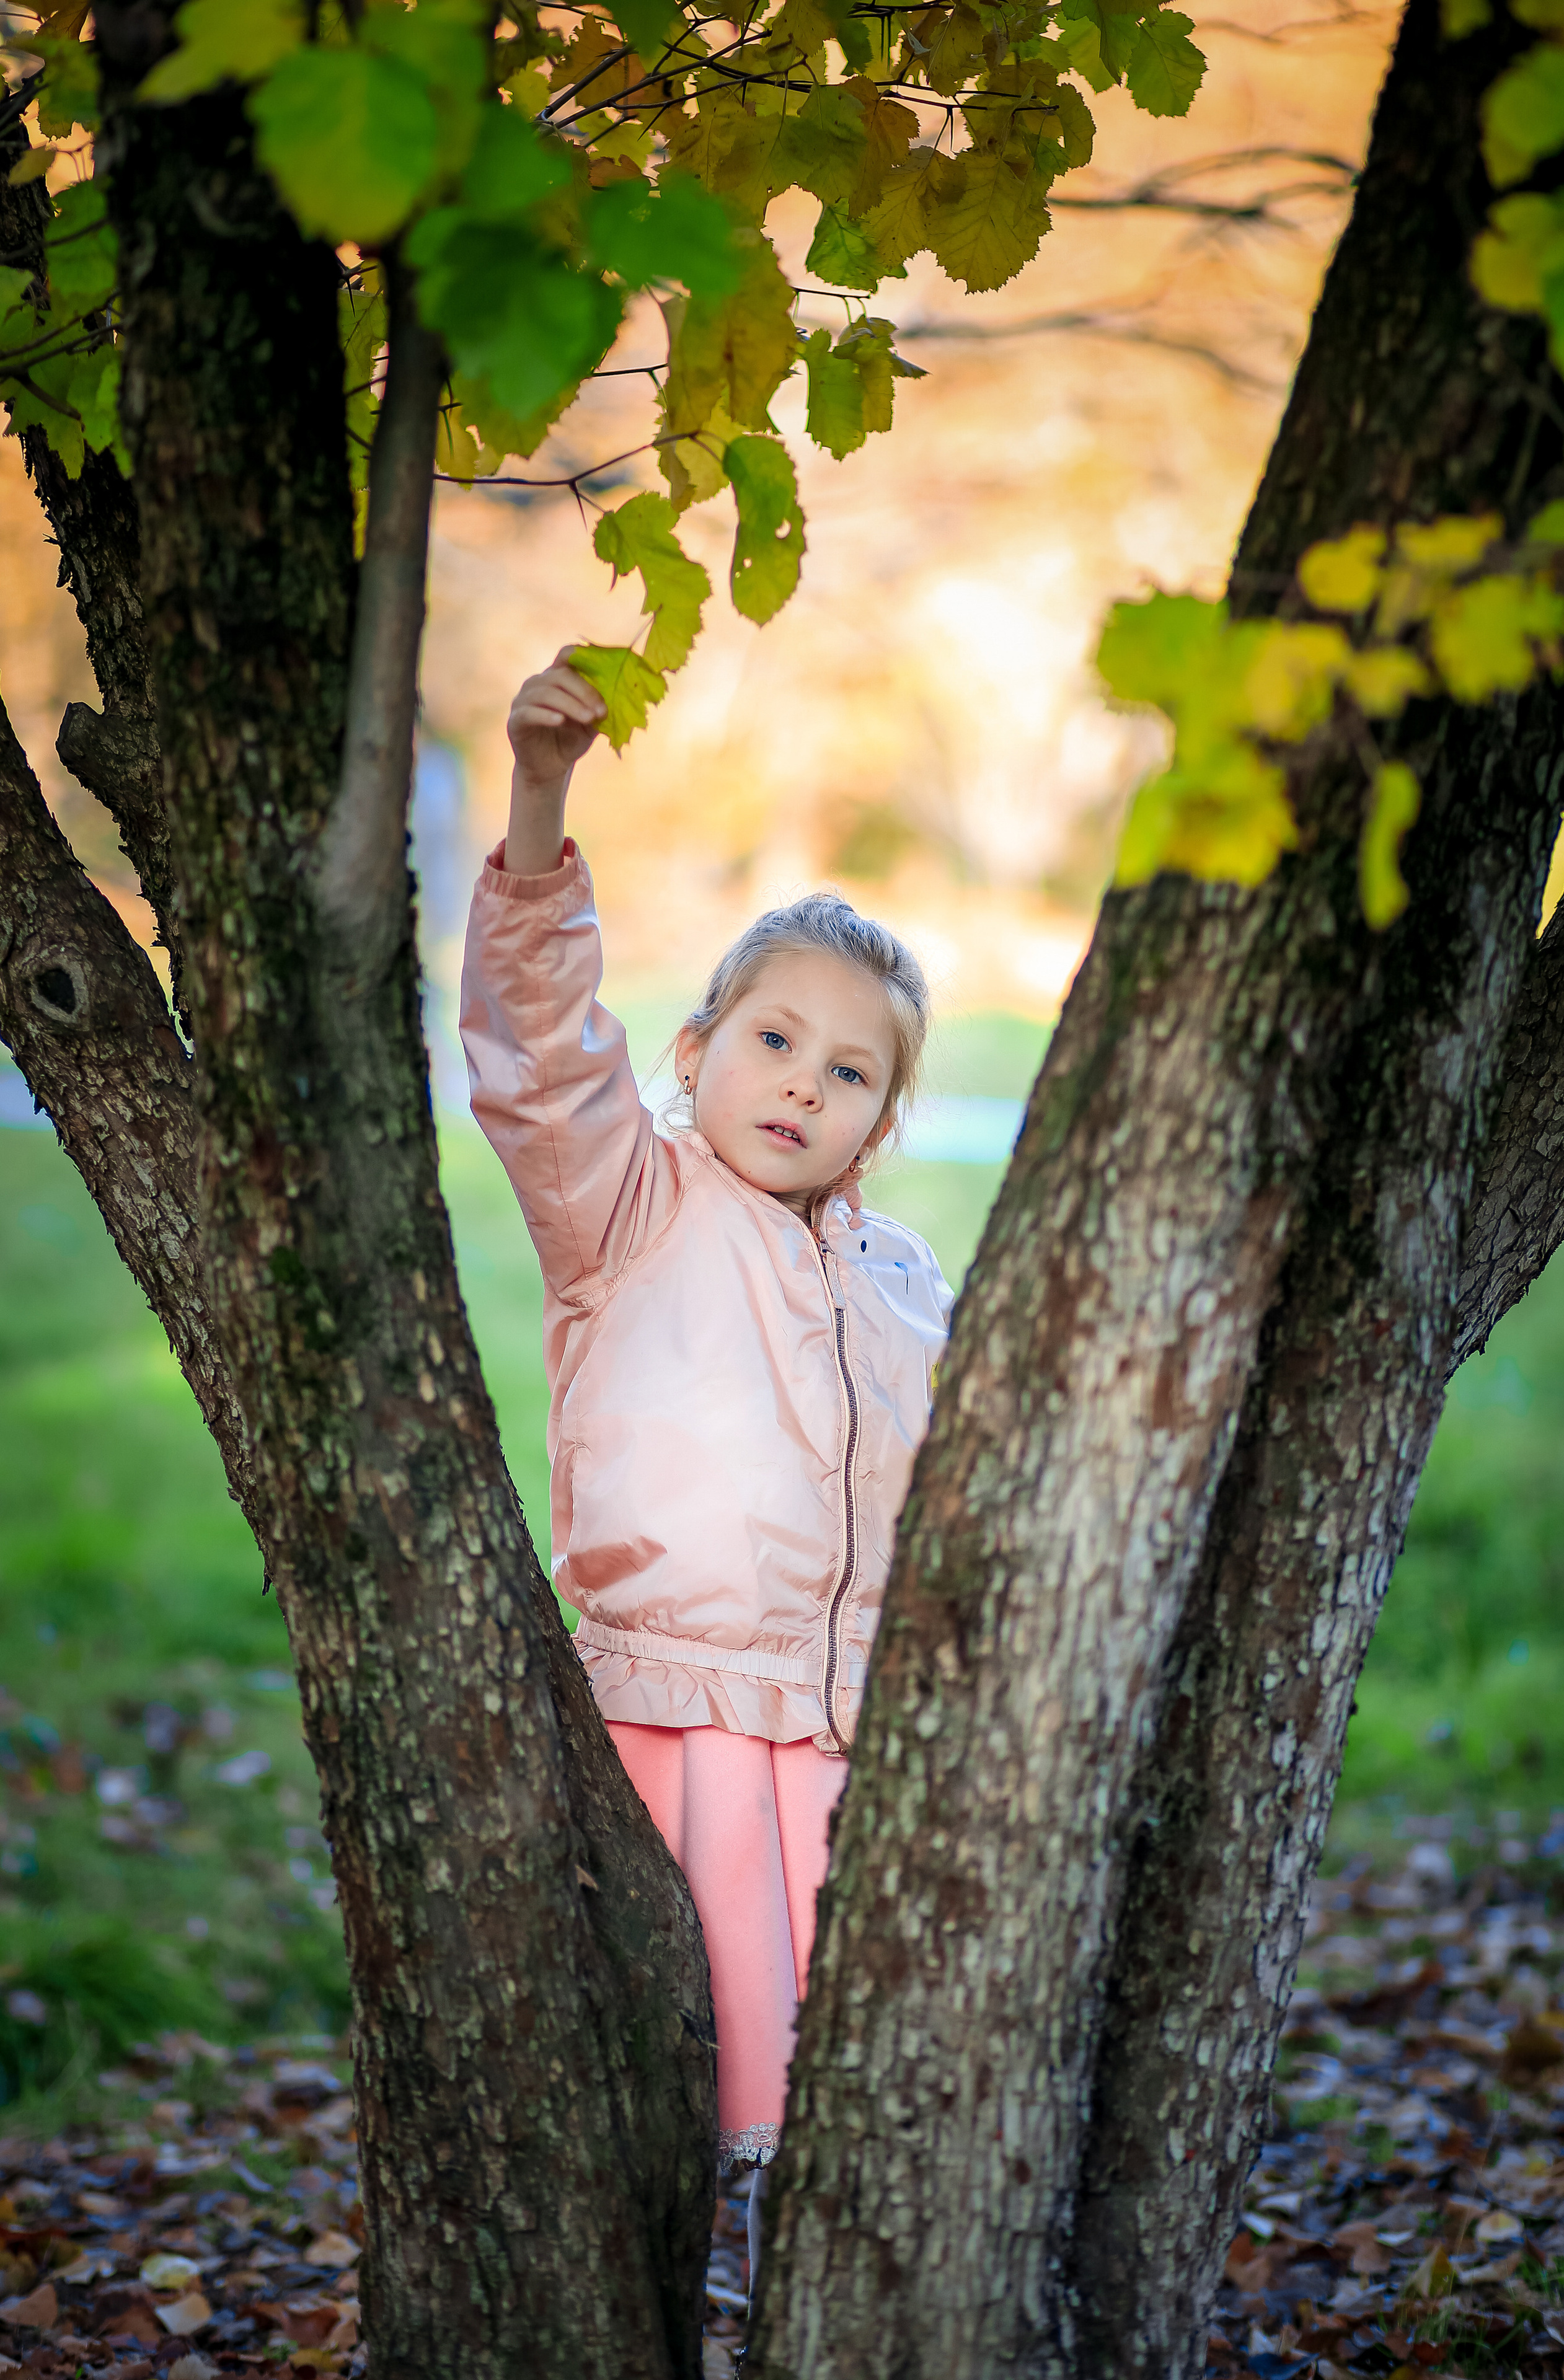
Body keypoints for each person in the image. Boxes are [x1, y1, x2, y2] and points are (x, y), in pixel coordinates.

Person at [460, 651, 953, 2291]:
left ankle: (798, 2275)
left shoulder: (900, 1282)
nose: (804, 1079)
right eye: (775, 1037)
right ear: (698, 1049)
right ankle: (685, 2272)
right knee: (687, 2030)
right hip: (671, 1711)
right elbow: (536, 1052)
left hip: (837, 1727)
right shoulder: (632, 1205)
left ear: (880, 1119)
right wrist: (538, 802)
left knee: (830, 2054)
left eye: (850, 1067)